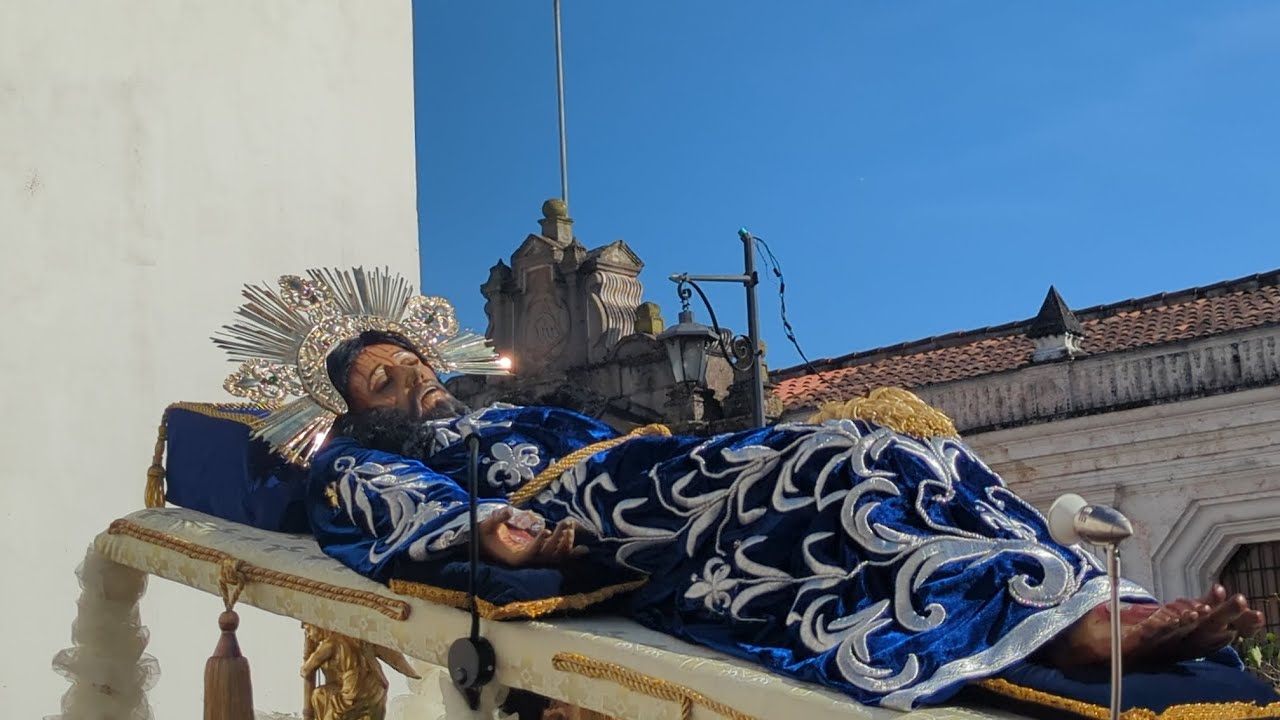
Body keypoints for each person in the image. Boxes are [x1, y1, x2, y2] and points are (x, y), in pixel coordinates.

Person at [215, 269, 1271, 712]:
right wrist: (500, 532)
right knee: (840, 464)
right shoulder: (360, 459)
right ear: (351, 409)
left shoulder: (504, 409)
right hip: (601, 515)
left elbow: (629, 440)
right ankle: (1055, 636)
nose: (410, 383)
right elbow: (397, 516)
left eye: (412, 364)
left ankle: (1085, 608)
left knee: (906, 453)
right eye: (380, 382)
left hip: (659, 471)